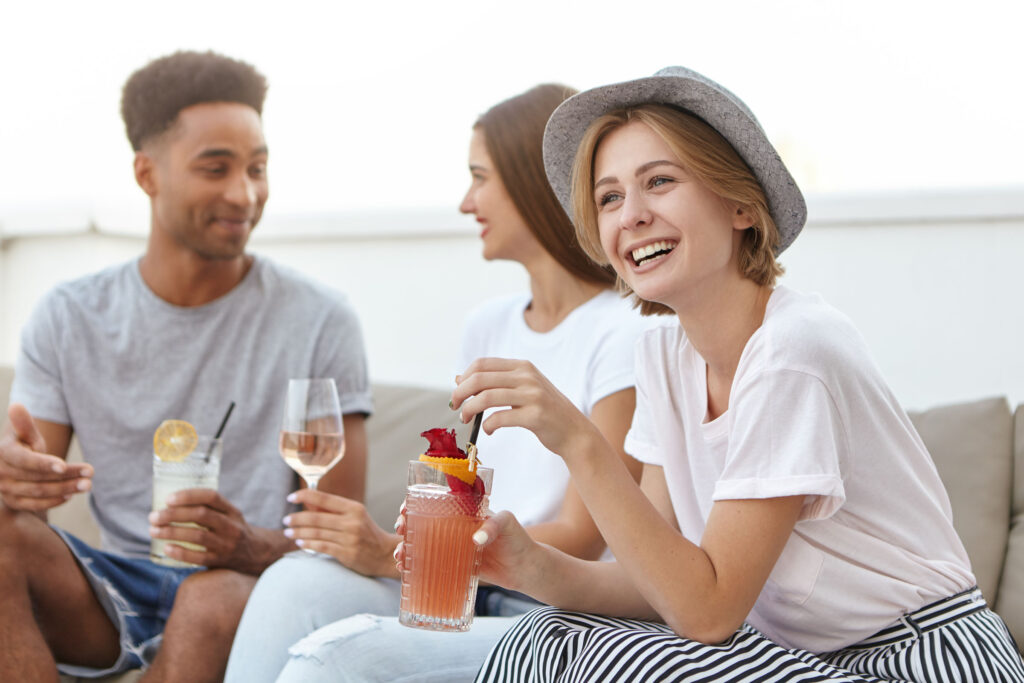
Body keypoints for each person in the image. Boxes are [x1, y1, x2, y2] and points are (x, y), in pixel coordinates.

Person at [439, 67, 1024, 682]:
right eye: (610, 197)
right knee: (548, 634)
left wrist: (578, 441)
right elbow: (656, 586)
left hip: (921, 659)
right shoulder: (664, 357)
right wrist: (529, 566)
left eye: (659, 182)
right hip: (803, 661)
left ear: (741, 203)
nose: (630, 216)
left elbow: (708, 612)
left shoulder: (793, 350)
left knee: (626, 661)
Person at [225, 84, 653, 683]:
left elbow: (584, 537)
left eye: (480, 177)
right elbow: (458, 487)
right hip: (464, 584)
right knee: (296, 579)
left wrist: (391, 553)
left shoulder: (625, 335)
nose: (465, 202)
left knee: (338, 661)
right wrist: (412, 549)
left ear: (536, 182)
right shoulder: (490, 325)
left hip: (549, 607)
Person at [0, 50, 371, 682]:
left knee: (206, 599)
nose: (245, 193)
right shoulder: (69, 316)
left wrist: (248, 544)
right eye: (216, 168)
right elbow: (32, 501)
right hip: (113, 585)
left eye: (257, 168)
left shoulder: (319, 319)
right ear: (147, 174)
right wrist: (18, 478)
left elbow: (342, 540)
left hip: (249, 582)